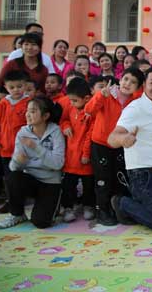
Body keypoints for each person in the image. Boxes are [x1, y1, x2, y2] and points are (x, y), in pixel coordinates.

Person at [108, 66, 152, 234]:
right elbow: (112, 138)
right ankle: (122, 203)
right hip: (143, 176)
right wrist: (123, 139)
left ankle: (138, 205)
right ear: (144, 85)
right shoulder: (135, 109)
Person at [85, 68, 144, 225]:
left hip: (121, 145)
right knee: (102, 179)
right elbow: (89, 110)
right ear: (120, 78)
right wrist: (100, 96)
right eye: (126, 79)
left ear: (138, 87)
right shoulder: (107, 94)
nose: (127, 84)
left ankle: (119, 210)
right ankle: (102, 211)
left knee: (120, 178)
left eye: (133, 82)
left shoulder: (136, 101)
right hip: (101, 144)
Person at [0, 97, 64, 229]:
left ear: (45, 116)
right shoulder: (23, 132)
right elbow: (13, 167)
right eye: (27, 111)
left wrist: (36, 147)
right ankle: (17, 214)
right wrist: (18, 161)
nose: (28, 114)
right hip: (31, 179)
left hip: (50, 182)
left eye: (33, 111)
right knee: (12, 177)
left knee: (41, 222)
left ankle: (53, 205)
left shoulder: (56, 132)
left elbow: (58, 164)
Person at [0, 70, 32, 213]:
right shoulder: (2, 104)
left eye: (19, 86)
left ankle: (22, 198)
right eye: (12, 87)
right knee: (9, 177)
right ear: (6, 87)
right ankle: (11, 201)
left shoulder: (29, 103)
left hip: (25, 150)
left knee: (23, 175)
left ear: (25, 85)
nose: (16, 90)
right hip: (6, 149)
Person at [59, 78, 96, 222]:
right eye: (70, 100)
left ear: (86, 98)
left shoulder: (92, 112)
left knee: (88, 184)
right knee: (68, 184)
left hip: (85, 158)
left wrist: (86, 154)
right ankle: (68, 207)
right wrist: (66, 126)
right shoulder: (70, 107)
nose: (72, 103)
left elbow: (90, 135)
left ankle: (88, 206)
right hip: (70, 156)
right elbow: (64, 120)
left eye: (74, 100)